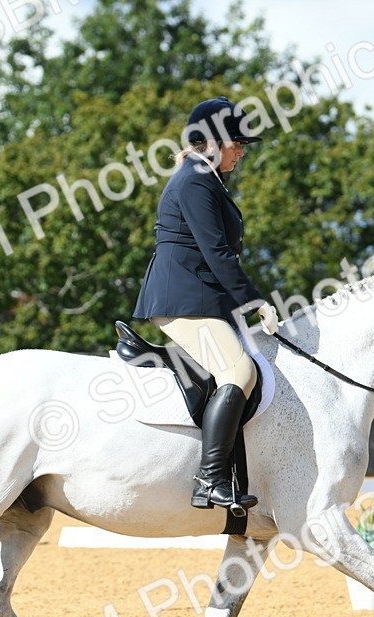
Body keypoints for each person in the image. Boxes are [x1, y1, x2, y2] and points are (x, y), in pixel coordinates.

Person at [133, 96, 279, 513]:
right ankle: (210, 479)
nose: (242, 151)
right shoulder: (197, 179)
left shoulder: (206, 177)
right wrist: (254, 300)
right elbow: (217, 252)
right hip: (183, 298)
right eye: (237, 143)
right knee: (239, 371)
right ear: (213, 142)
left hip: (199, 297)